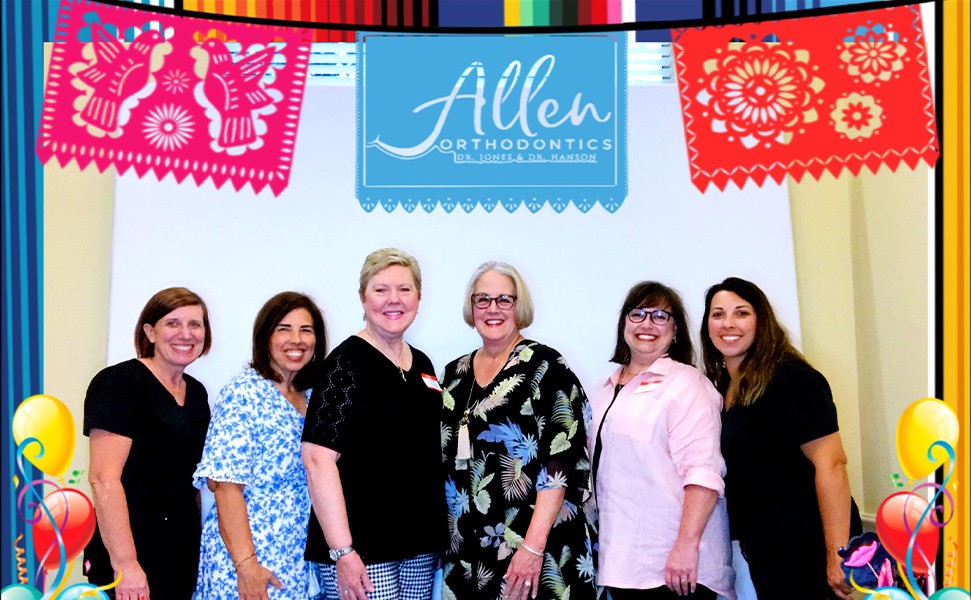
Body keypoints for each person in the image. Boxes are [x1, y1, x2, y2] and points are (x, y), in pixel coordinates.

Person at [440, 261, 596, 600]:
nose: (492, 309)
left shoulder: (547, 368)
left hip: (536, 554)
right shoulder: (454, 375)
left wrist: (533, 548)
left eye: (504, 300)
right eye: (482, 299)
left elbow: (561, 462)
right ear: (471, 306)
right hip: (467, 559)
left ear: (519, 305)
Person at [701, 277, 862, 600]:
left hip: (809, 545)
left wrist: (837, 555)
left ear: (762, 321)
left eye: (741, 313)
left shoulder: (790, 378)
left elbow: (832, 464)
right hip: (769, 547)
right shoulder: (725, 389)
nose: (728, 323)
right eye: (718, 314)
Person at [302, 248, 447, 600]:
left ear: (419, 297)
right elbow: (317, 460)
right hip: (361, 550)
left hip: (419, 545)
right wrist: (342, 552)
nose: (393, 300)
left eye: (404, 289)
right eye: (381, 290)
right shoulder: (344, 364)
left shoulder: (423, 364)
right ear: (363, 297)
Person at [589, 281, 734, 600]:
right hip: (622, 565)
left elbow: (703, 472)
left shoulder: (687, 385)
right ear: (624, 322)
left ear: (676, 329)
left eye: (659, 316)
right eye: (637, 313)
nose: (646, 324)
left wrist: (685, 547)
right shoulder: (602, 390)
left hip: (675, 567)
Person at [194, 291, 327, 600]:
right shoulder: (243, 393)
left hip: (297, 558)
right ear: (265, 336)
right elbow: (225, 486)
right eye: (284, 329)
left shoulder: (311, 397)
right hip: (249, 559)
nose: (297, 339)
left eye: (306, 330)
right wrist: (246, 566)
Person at [83, 287, 212, 600]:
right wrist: (126, 564)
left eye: (195, 324)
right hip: (129, 553)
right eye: (173, 323)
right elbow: (103, 479)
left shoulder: (197, 394)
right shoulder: (119, 382)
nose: (186, 334)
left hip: (180, 552)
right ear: (150, 332)